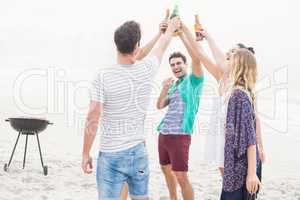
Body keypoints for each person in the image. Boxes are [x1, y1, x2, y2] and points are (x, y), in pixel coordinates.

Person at [81, 17, 181, 200]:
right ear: (136, 45)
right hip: (137, 152)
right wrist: (168, 31)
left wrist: (85, 153)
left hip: (111, 155)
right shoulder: (146, 69)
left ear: (116, 44)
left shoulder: (102, 76)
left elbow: (92, 117)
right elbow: (162, 46)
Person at [194, 30, 266, 176]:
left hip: (237, 137)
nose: (227, 54)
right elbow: (202, 55)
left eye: (233, 52)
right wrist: (185, 33)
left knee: (238, 176)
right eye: (228, 51)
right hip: (220, 133)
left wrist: (261, 146)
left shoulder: (246, 88)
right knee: (225, 175)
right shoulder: (222, 77)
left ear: (241, 59)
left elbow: (255, 119)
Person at [156, 21, 204, 200]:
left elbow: (197, 58)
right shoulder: (174, 85)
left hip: (180, 135)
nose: (175, 67)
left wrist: (182, 33)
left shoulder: (194, 81)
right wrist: (164, 88)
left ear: (186, 64)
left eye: (178, 64)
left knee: (181, 176)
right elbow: (160, 105)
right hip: (164, 134)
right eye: (172, 65)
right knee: (165, 170)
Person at [221, 48, 261, 199]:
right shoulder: (241, 92)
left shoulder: (239, 96)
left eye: (231, 60)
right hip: (234, 165)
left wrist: (251, 173)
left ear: (238, 65)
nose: (227, 62)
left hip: (240, 168)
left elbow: (250, 138)